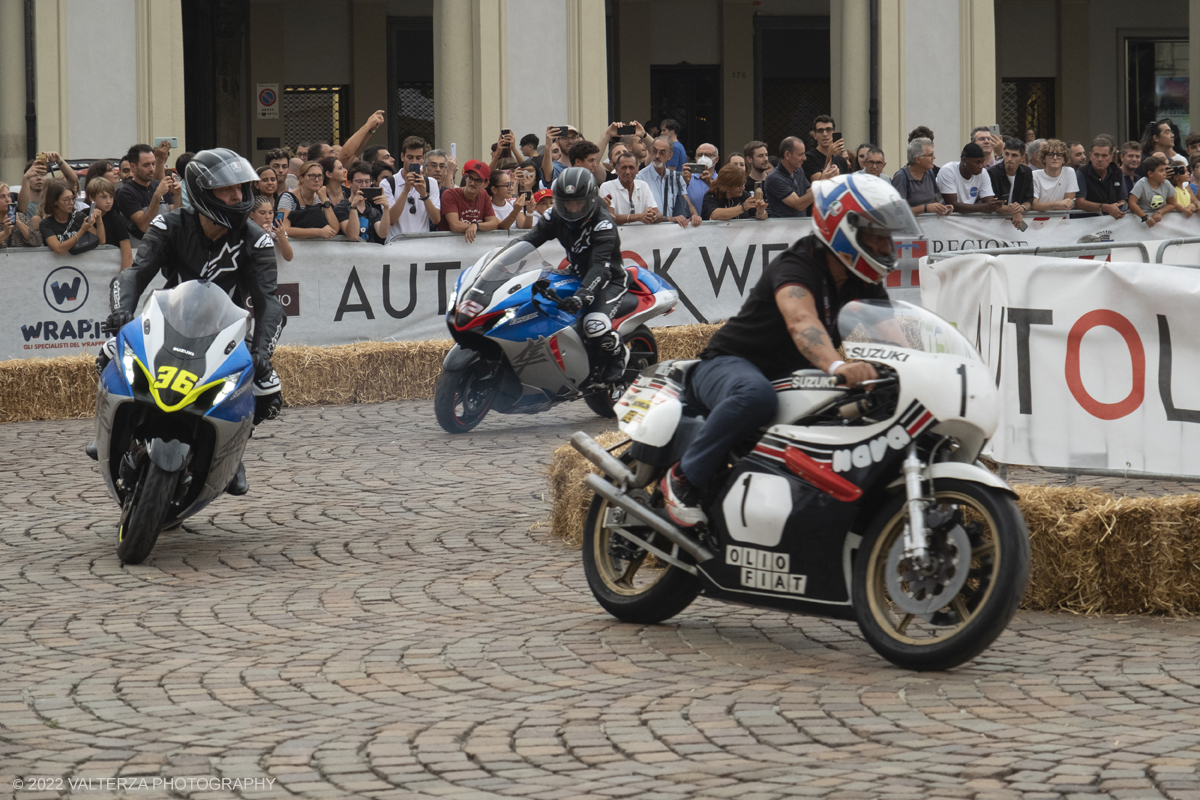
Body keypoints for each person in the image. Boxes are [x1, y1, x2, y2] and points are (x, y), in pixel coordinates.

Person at [659, 174, 921, 526]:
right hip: (730, 363)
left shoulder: (861, 279)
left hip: (791, 377)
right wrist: (837, 366)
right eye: (878, 235)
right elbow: (801, 322)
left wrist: (920, 368)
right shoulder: (798, 264)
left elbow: (891, 331)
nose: (887, 246)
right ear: (846, 230)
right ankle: (684, 479)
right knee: (755, 396)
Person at [100, 148, 284, 495]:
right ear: (202, 192)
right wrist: (123, 311)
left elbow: (270, 303)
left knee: (269, 389)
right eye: (228, 190)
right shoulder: (169, 223)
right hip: (169, 321)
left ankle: (233, 451)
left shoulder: (255, 238)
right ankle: (115, 432)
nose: (238, 196)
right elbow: (135, 275)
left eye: (242, 189)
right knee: (110, 350)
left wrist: (262, 353)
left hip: (224, 331)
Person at [517, 166, 627, 384]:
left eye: (578, 202)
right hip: (575, 273)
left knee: (594, 325)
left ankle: (619, 355)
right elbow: (530, 239)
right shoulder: (556, 215)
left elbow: (600, 267)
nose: (573, 208)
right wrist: (503, 259)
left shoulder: (603, 223)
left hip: (609, 279)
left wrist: (581, 296)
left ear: (589, 200)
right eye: (567, 202)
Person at [115, 143, 179, 239]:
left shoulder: (158, 185)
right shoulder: (126, 192)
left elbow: (176, 218)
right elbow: (144, 226)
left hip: (164, 248)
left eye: (153, 164)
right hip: (141, 250)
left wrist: (178, 194)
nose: (152, 169)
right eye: (146, 165)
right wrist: (157, 196)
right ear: (133, 167)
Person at [383, 137, 441, 240]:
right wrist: (406, 190)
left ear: (423, 158)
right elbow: (391, 220)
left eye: (418, 158)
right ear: (402, 157)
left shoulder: (431, 183)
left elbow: (436, 219)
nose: (414, 162)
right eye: (410, 157)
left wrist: (424, 195)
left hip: (422, 248)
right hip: (396, 247)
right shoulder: (388, 183)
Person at [638, 137, 700, 227]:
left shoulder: (677, 177)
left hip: (671, 233)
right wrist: (670, 219)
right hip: (648, 230)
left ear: (670, 156)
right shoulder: (640, 178)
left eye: (662, 153)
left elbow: (687, 202)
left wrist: (695, 216)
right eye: (655, 151)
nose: (657, 156)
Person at [438, 159, 498, 242]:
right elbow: (455, 226)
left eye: (478, 181)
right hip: (448, 245)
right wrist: (475, 226)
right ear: (465, 178)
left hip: (472, 245)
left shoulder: (484, 195)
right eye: (470, 178)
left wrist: (476, 225)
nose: (472, 183)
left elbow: (494, 223)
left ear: (486, 184)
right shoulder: (450, 194)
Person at [766, 136, 825, 218]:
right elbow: (799, 205)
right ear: (787, 155)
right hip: (782, 228)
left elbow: (809, 192)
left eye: (804, 153)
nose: (804, 158)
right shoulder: (774, 178)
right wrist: (823, 181)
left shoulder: (799, 170)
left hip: (800, 226)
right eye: (800, 154)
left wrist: (825, 179)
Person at [278, 161, 339, 239]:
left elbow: (334, 229)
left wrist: (325, 200)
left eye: (320, 176)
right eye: (312, 176)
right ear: (301, 178)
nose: (317, 180)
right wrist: (319, 232)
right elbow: (284, 229)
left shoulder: (320, 198)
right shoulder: (288, 198)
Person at [39, 180, 101, 255]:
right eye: (66, 200)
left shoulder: (79, 216)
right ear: (55, 201)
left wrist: (99, 219)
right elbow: (59, 249)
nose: (71, 203)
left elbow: (101, 240)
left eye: (72, 198)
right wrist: (82, 230)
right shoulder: (46, 224)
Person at [892, 137, 950, 215]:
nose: (934, 157)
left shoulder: (930, 173)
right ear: (918, 159)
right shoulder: (901, 177)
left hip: (931, 224)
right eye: (930, 155)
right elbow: (898, 210)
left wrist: (942, 209)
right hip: (911, 226)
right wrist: (925, 208)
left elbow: (934, 200)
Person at [937, 143, 1000, 214]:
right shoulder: (948, 170)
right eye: (977, 162)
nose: (981, 166)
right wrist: (984, 207)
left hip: (970, 218)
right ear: (964, 160)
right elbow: (952, 205)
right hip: (946, 219)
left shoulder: (983, 173)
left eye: (982, 162)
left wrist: (993, 205)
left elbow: (989, 202)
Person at [599, 151, 659, 224]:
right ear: (616, 170)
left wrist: (652, 216)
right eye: (624, 168)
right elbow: (609, 217)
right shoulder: (607, 187)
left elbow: (657, 214)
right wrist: (639, 217)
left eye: (631, 168)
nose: (627, 172)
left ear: (637, 170)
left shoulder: (643, 186)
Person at [1074, 137, 1127, 219]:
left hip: (1113, 222)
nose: (1100, 159)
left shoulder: (1117, 172)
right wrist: (1105, 207)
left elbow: (1123, 200)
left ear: (1111, 157)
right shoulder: (1082, 172)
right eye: (1096, 155)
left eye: (1104, 155)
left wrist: (1118, 208)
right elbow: (1079, 203)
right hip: (1086, 223)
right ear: (1090, 156)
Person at [986, 137, 1033, 229]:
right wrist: (1015, 211)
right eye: (1006, 154)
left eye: (1014, 155)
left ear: (1022, 158)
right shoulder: (992, 173)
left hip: (1016, 223)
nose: (1009, 159)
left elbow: (1029, 199)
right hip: (994, 223)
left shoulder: (1026, 172)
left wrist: (1022, 208)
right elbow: (993, 204)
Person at [87, 177, 133, 270]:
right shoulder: (83, 215)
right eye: (103, 197)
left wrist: (122, 279)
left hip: (111, 269)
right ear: (92, 197)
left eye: (111, 196)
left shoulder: (117, 219)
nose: (109, 201)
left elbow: (127, 255)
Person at [344, 161, 389, 244]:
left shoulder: (373, 210)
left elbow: (383, 234)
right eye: (359, 181)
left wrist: (386, 208)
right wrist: (353, 207)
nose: (364, 185)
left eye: (367, 181)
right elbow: (353, 236)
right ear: (349, 183)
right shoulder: (342, 207)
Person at [1030, 139, 1078, 212]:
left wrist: (1044, 206)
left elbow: (1067, 205)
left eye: (1059, 155)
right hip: (1038, 220)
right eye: (1050, 155)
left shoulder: (1069, 172)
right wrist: (1058, 204)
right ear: (1044, 158)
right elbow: (1034, 205)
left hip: (1063, 220)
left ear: (1064, 160)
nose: (1055, 158)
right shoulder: (1034, 175)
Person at [1128, 156, 1173, 228]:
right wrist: (1145, 217)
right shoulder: (1141, 184)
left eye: (1165, 170)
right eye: (1161, 171)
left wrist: (1160, 212)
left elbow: (1172, 204)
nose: (1165, 173)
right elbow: (1132, 203)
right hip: (1140, 222)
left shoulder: (1166, 183)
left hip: (1159, 222)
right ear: (1150, 174)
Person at [804, 115, 849, 183]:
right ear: (815, 135)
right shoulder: (809, 158)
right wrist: (830, 156)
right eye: (820, 130)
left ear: (834, 133)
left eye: (828, 130)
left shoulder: (842, 161)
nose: (825, 134)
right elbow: (820, 185)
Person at [249, 194, 293, 261]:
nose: (267, 217)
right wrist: (262, 235)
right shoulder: (247, 229)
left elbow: (289, 257)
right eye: (262, 213)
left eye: (270, 213)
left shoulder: (275, 230)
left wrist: (282, 237)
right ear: (252, 214)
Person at [0, 181, 42, 248]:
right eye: (2, 197)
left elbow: (38, 241)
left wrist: (19, 223)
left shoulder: (21, 217)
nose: (8, 200)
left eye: (9, 196)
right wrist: (5, 233)